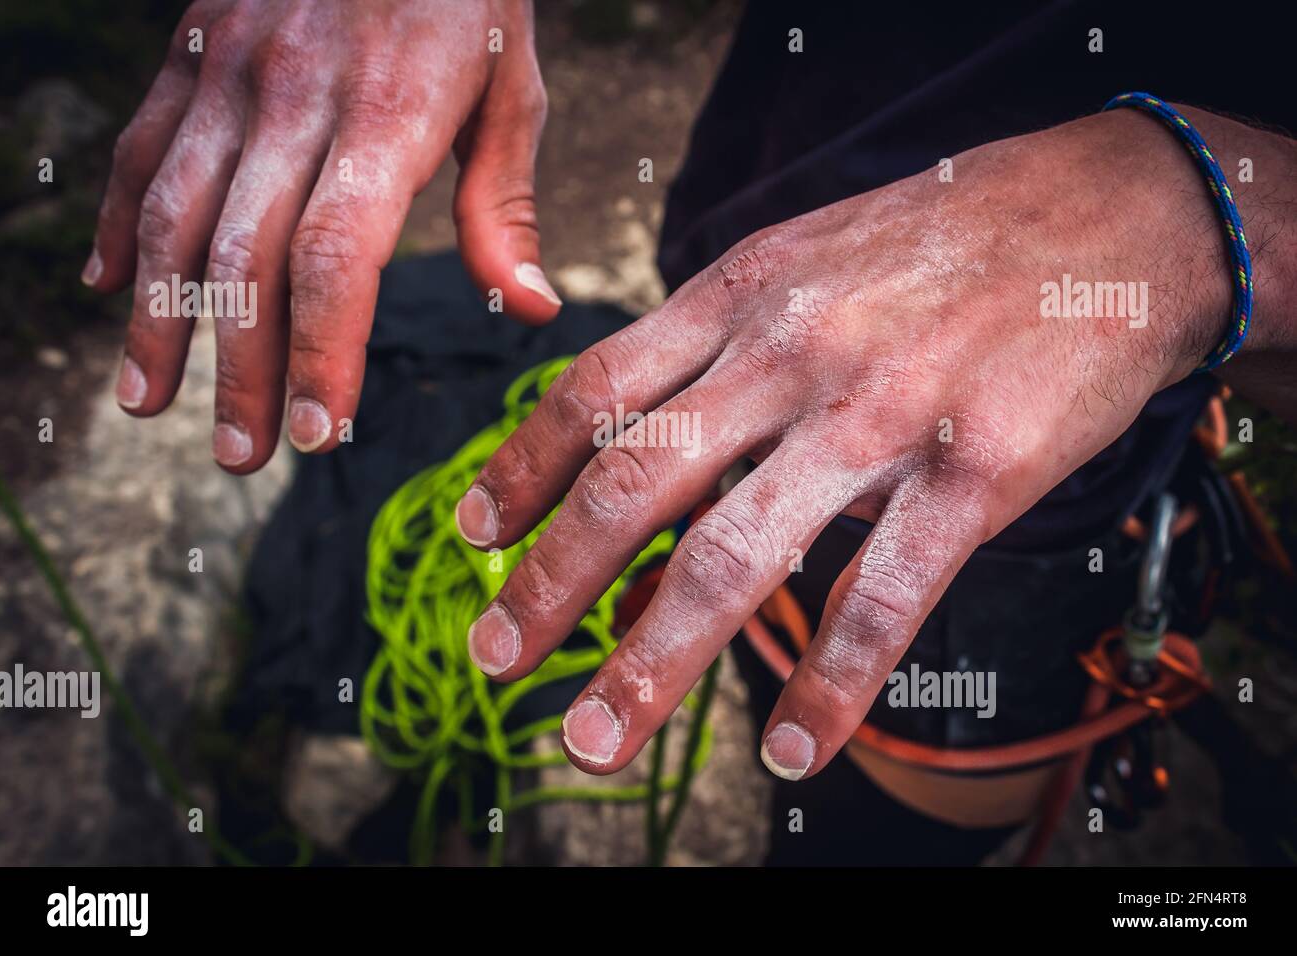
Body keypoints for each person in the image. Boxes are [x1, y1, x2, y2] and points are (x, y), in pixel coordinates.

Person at [84, 1, 1297, 863]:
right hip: (733, 277)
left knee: (860, 784)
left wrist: (1206, 205)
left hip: (1020, 473)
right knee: (725, 613)